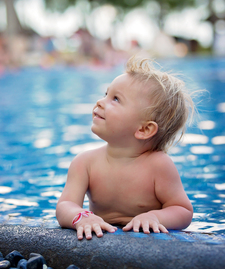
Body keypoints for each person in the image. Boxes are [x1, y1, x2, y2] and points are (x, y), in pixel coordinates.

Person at [56, 57, 195, 240]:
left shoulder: (158, 166)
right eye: (106, 94)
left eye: (115, 99)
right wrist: (81, 217)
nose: (100, 102)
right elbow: (65, 204)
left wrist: (154, 217)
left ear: (144, 129)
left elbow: (183, 210)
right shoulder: (85, 163)